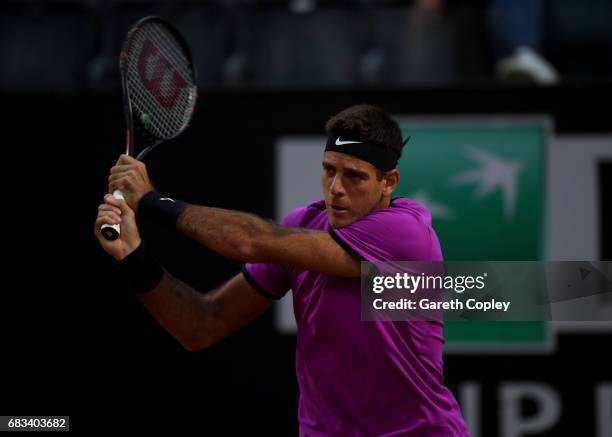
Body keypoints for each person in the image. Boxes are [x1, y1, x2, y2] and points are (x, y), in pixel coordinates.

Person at [94, 104, 470, 436]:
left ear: (388, 183)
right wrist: (134, 256)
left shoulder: (406, 234)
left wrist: (152, 202)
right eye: (329, 170)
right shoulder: (306, 225)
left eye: (354, 176)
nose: (335, 188)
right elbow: (201, 325)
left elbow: (250, 241)